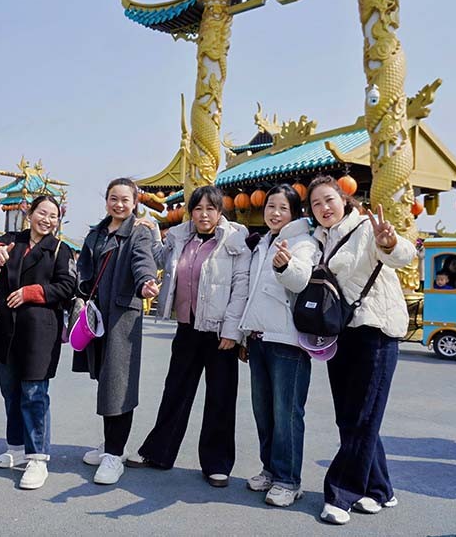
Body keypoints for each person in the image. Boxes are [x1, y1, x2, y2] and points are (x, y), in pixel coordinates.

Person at [289, 175, 415, 525]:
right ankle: (380, 489)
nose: (323, 207)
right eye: (316, 203)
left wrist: (390, 242)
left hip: (376, 331)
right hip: (341, 333)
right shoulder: (319, 239)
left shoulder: (366, 228)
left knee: (363, 416)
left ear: (344, 199)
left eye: (329, 199)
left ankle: (341, 493)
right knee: (350, 416)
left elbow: (403, 255)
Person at [125, 185, 251, 488]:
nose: (204, 214)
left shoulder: (235, 240)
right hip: (187, 327)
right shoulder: (181, 237)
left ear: (220, 212)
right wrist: (152, 229)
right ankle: (159, 453)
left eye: (210, 209)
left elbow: (240, 288)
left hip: (220, 333)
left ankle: (217, 463)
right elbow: (159, 260)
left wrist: (232, 332)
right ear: (190, 212)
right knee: (175, 392)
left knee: (220, 398)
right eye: (198, 209)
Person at [0, 195, 76, 490]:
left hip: (39, 331)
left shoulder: (60, 249)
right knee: (10, 390)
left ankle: (37, 457)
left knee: (34, 393)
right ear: (29, 213)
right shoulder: (12, 240)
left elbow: (67, 286)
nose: (47, 220)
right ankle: (17, 447)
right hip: (5, 328)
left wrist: (32, 292)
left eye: (53, 216)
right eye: (42, 213)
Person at [74, 177, 159, 485]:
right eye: (114, 198)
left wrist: (146, 282)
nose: (119, 204)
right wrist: (80, 290)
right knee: (105, 379)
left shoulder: (138, 232)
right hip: (97, 315)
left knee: (118, 384)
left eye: (125, 199)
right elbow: (83, 269)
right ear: (106, 200)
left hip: (122, 316)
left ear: (135, 202)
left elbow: (142, 262)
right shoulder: (96, 233)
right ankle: (111, 444)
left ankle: (114, 453)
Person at [237, 184, 318, 506]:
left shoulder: (304, 243)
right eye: (271, 206)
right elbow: (251, 293)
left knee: (287, 414)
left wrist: (285, 265)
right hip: (259, 339)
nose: (275, 212)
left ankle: (288, 480)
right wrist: (244, 334)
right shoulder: (262, 243)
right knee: (264, 411)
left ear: (294, 213)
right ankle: (270, 469)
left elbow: (299, 279)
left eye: (283, 208)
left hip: (288, 342)